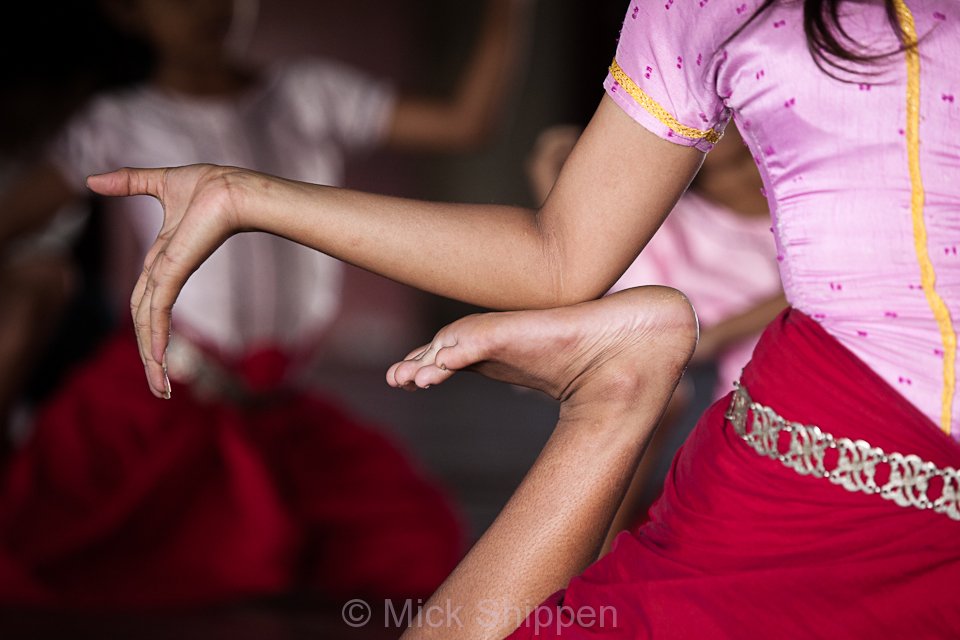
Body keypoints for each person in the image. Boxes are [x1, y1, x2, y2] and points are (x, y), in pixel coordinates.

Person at [88, 0, 960, 636]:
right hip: (833, 452)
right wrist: (248, 196)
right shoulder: (703, 5)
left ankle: (619, 385)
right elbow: (560, 254)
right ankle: (615, 393)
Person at [0, 0, 530, 608]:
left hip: (283, 404)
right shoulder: (115, 124)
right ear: (129, 12)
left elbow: (464, 124)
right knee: (78, 552)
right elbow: (12, 220)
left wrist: (505, 15)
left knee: (419, 547)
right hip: (162, 396)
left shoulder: (306, 94)